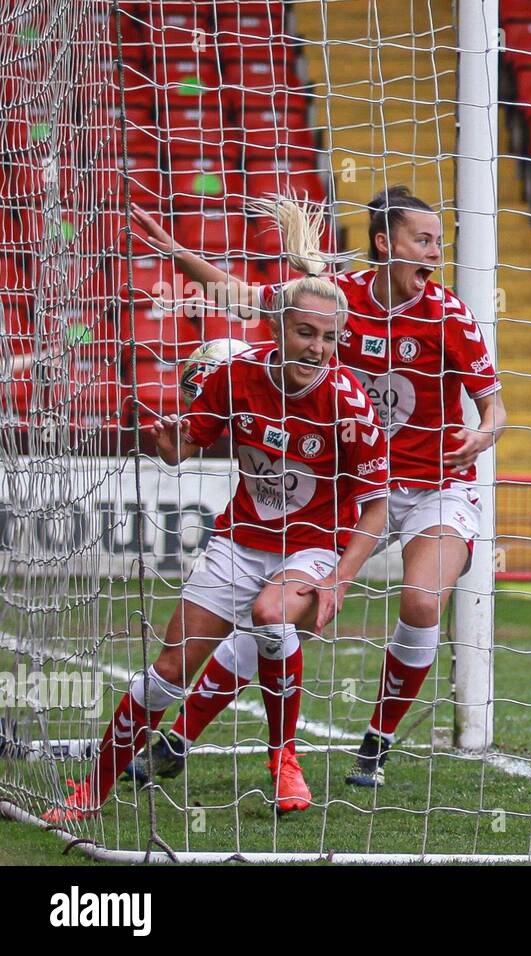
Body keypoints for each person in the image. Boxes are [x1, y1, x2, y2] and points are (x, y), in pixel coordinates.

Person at [123, 188, 505, 789]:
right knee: (279, 619)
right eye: (424, 240)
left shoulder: (449, 316)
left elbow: (496, 410)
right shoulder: (334, 301)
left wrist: (483, 434)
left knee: (423, 601)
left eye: (438, 240)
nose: (436, 251)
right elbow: (244, 298)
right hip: (352, 489)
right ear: (386, 244)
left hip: (434, 484)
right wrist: (177, 253)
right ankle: (182, 737)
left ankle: (376, 742)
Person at [44, 233, 390, 821]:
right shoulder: (234, 377)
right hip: (239, 540)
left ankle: (284, 757)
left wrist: (340, 580)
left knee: (269, 618)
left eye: (330, 338)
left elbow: (378, 504)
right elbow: (184, 449)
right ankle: (90, 793)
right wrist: (168, 441)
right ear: (278, 329)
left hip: (312, 547)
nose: (318, 347)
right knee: (166, 676)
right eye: (307, 333)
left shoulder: (348, 403)